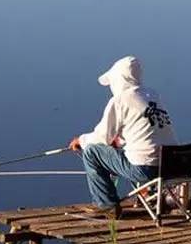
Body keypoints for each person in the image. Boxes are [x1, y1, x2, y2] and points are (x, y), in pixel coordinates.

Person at [69, 56, 178, 219]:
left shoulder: (120, 100)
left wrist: (81, 141)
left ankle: (106, 205)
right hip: (174, 166)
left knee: (92, 152)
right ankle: (152, 194)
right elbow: (144, 132)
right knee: (123, 150)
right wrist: (119, 141)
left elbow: (102, 137)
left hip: (146, 169)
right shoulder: (152, 95)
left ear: (119, 79)